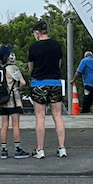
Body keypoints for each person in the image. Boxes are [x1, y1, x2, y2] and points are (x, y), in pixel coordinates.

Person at [27, 20, 66, 158]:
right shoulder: (56, 45)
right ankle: (62, 148)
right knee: (58, 116)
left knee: (40, 117)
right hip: (55, 82)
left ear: (37, 33)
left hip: (39, 83)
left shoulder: (34, 48)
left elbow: (30, 68)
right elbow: (59, 63)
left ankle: (40, 150)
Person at [0, 45, 29, 159]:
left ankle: (4, 150)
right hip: (13, 100)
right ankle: (17, 149)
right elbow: (23, 82)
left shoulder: (0, 70)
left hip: (2, 100)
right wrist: (17, 88)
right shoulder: (13, 69)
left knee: (4, 125)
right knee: (16, 124)